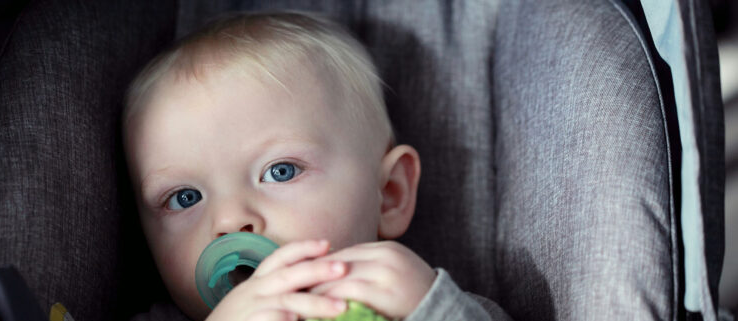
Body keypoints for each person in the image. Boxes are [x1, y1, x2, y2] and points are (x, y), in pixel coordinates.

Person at [123, 11, 510, 321]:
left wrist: (433, 311)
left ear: (389, 194)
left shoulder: (415, 301)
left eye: (281, 171)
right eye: (185, 197)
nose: (229, 221)